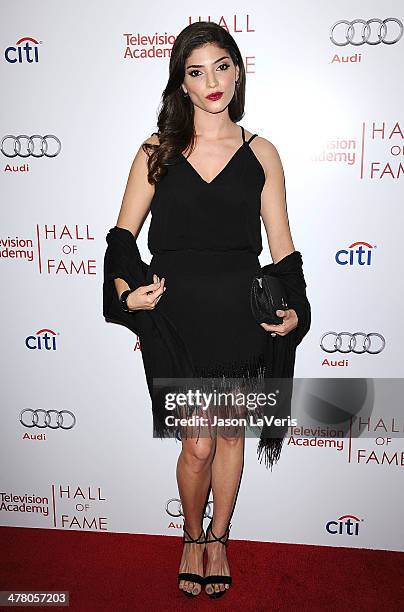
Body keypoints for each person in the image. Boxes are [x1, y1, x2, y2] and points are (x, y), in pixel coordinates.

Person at [112, 21, 302, 599]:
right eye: (196, 71)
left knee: (228, 439)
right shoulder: (156, 152)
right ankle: (190, 534)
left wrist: (295, 308)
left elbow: (282, 244)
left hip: (240, 318)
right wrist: (125, 293)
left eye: (221, 66)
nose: (211, 81)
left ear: (238, 72)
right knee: (197, 442)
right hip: (179, 319)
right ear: (183, 85)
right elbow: (123, 238)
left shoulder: (261, 152)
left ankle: (218, 539)